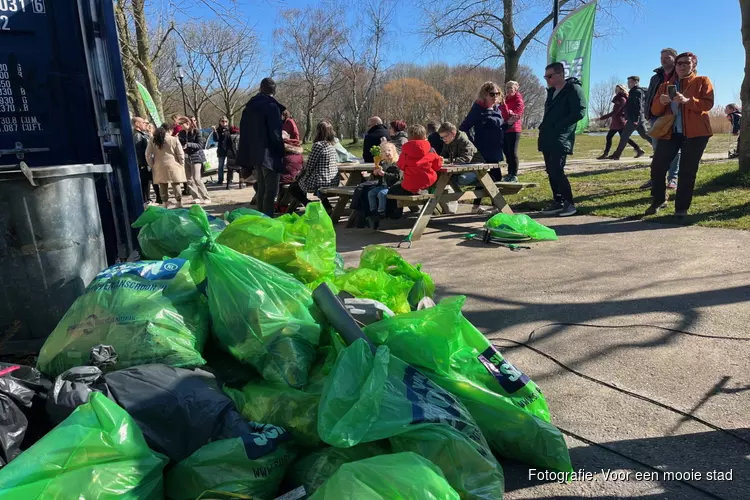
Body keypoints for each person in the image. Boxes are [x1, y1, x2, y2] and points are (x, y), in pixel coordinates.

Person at [646, 52, 713, 218]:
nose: (682, 66)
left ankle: (681, 208)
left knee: (687, 171)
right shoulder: (665, 85)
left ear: (693, 65)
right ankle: (659, 200)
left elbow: (708, 104)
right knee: (657, 166)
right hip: (671, 133)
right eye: (679, 63)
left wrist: (687, 101)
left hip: (696, 133)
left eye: (686, 63)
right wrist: (660, 103)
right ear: (675, 66)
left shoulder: (702, 81)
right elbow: (654, 110)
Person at [538, 62, 586, 217]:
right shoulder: (551, 92)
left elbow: (579, 112)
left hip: (561, 136)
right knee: (550, 170)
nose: (547, 79)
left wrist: (560, 126)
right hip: (547, 136)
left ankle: (569, 203)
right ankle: (557, 201)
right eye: (545, 76)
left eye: (550, 76)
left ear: (560, 74)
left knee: (557, 169)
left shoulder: (573, 89)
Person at [236, 77, 285, 216]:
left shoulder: (249, 107)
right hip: (269, 153)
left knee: (262, 188)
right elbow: (275, 133)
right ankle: (267, 220)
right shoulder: (272, 107)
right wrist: (280, 151)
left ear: (260, 88)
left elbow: (245, 131)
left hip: (255, 154)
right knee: (271, 191)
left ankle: (261, 218)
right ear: (274, 90)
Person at [642, 48, 680, 190]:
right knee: (657, 149)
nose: (663, 60)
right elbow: (649, 96)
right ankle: (657, 178)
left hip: (674, 115)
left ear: (674, 59)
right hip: (656, 116)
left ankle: (673, 178)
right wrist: (647, 113)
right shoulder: (656, 77)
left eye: (667, 57)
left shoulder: (679, 74)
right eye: (662, 57)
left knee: (673, 149)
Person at [288, 120, 340, 212]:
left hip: (320, 181)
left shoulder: (318, 145)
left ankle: (309, 205)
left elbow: (309, 166)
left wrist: (300, 174)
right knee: (303, 183)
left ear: (318, 131)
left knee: (293, 187)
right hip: (333, 180)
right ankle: (327, 206)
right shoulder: (332, 145)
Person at [460, 81, 507, 181]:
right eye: (492, 94)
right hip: (483, 150)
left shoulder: (497, 108)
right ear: (485, 95)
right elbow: (464, 128)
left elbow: (500, 127)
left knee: (495, 179)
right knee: (484, 179)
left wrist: (510, 123)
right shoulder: (478, 108)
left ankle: (479, 196)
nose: (495, 96)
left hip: (496, 149)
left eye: (497, 94)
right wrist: (472, 144)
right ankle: (475, 195)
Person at [388, 125, 443, 199]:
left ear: (409, 137)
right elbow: (437, 166)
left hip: (410, 183)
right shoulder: (431, 150)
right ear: (424, 136)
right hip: (428, 181)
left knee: (391, 191)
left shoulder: (405, 151)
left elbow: (401, 166)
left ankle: (393, 210)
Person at [607, 76, 651, 160]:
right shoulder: (634, 91)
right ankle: (657, 150)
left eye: (630, 82)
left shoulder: (637, 91)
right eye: (628, 82)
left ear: (636, 82)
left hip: (634, 118)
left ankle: (617, 155)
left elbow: (639, 106)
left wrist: (636, 119)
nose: (628, 84)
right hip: (638, 119)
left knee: (624, 136)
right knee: (644, 135)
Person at [597, 84, 644, 159]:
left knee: (623, 138)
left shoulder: (622, 99)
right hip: (615, 121)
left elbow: (615, 112)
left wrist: (602, 118)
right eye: (615, 89)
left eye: (617, 89)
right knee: (613, 137)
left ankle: (638, 149)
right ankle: (638, 150)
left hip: (620, 122)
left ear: (622, 90)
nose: (616, 91)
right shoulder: (617, 99)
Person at [146, 122, 187, 209]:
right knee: (175, 184)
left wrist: (152, 164)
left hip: (159, 165)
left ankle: (165, 203)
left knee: (162, 185)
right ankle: (179, 202)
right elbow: (180, 153)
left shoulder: (153, 140)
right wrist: (181, 164)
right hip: (173, 164)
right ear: (169, 130)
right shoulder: (174, 139)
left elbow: (147, 154)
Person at [366, 142, 402, 229]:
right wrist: (375, 173)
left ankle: (381, 212)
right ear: (381, 154)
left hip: (393, 186)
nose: (387, 153)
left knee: (381, 193)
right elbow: (377, 178)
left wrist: (384, 174)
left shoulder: (397, 163)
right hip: (383, 185)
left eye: (389, 150)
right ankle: (373, 211)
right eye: (384, 151)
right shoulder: (382, 163)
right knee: (371, 193)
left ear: (394, 152)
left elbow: (397, 177)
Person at [178, 117, 211, 204]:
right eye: (180, 124)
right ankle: (196, 197)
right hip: (186, 157)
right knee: (189, 179)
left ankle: (206, 197)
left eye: (182, 124)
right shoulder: (181, 133)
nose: (181, 126)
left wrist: (188, 144)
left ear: (187, 123)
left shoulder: (196, 132)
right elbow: (179, 143)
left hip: (196, 157)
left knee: (197, 178)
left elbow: (200, 145)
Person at [132, 116, 162, 205]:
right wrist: (144, 163)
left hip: (148, 163)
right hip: (144, 164)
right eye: (143, 123)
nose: (146, 125)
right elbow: (139, 151)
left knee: (152, 181)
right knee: (145, 184)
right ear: (137, 124)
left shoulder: (143, 134)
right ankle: (146, 200)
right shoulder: (137, 135)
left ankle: (156, 198)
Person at [499, 80, 524, 182]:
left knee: (512, 152)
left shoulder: (518, 100)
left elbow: (515, 115)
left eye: (511, 88)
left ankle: (514, 174)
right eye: (507, 87)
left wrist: (508, 111)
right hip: (505, 128)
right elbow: (503, 113)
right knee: (506, 152)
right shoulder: (504, 99)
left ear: (516, 89)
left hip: (514, 129)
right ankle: (509, 173)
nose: (509, 90)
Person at [211, 116, 231, 185]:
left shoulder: (229, 129)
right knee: (220, 166)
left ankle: (229, 180)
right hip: (221, 150)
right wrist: (215, 131)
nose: (224, 123)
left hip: (229, 150)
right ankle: (220, 180)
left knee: (230, 166)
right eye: (222, 121)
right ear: (220, 122)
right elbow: (216, 139)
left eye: (225, 121)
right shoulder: (218, 130)